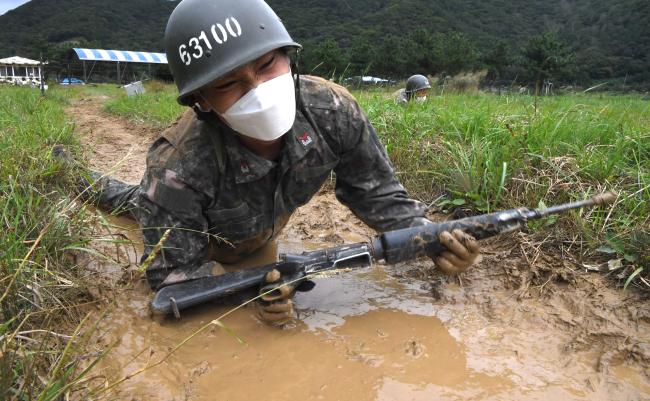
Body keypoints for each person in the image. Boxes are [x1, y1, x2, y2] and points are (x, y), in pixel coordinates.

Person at [70, 0, 480, 325]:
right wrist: (248, 298)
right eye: (229, 84)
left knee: (141, 198)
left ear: (288, 56)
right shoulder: (177, 168)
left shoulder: (332, 111)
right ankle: (70, 173)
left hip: (257, 230)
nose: (259, 89)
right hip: (195, 227)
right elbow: (171, 282)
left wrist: (431, 239)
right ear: (202, 102)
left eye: (267, 65)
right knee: (127, 199)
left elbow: (376, 193)